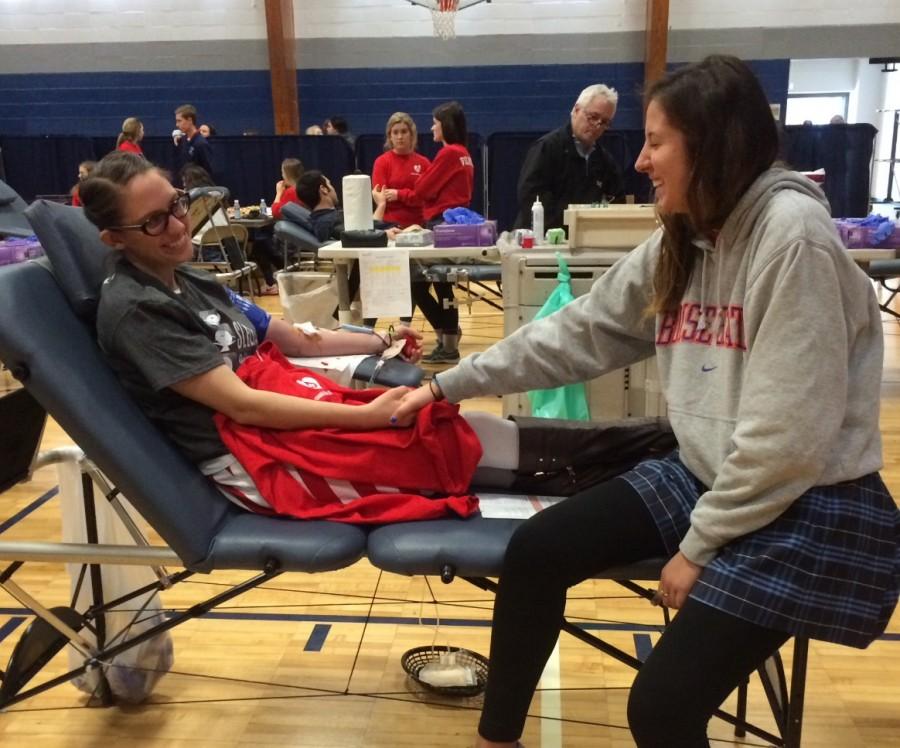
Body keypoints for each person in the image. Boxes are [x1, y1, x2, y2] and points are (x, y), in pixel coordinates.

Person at [393, 55, 900, 748]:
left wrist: (698, 547)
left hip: (804, 499)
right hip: (712, 473)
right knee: (538, 551)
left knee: (659, 708)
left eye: (656, 142)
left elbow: (789, 439)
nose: (638, 160)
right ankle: (497, 740)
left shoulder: (791, 241)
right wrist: (445, 386)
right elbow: (581, 331)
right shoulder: (688, 234)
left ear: (712, 146)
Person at [76, 152, 438, 520]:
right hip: (251, 460)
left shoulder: (191, 279)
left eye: (176, 204)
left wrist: (382, 339)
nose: (178, 225)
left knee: (434, 430)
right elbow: (242, 405)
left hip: (279, 430)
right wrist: (369, 417)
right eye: (154, 221)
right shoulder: (139, 311)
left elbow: (294, 339)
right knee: (434, 464)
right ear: (114, 239)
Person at [411, 101, 475, 364]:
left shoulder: (449, 154)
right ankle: (447, 337)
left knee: (426, 285)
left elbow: (421, 190)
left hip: (442, 224)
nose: (432, 127)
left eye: (435, 122)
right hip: (454, 224)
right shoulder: (465, 153)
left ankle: (448, 342)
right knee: (439, 284)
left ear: (445, 125)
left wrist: (425, 181)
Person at [514, 83, 625, 231]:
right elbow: (530, 197)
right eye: (593, 117)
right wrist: (566, 229)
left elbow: (618, 202)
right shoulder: (547, 148)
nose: (598, 126)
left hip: (585, 240)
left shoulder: (605, 161)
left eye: (604, 122)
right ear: (576, 110)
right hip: (541, 239)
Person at [371, 111, 431, 228]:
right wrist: (412, 196)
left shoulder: (424, 163)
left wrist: (399, 194)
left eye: (404, 132)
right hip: (390, 226)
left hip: (419, 226)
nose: (400, 137)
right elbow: (382, 198)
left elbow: (426, 198)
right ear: (390, 136)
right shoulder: (382, 162)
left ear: (411, 134)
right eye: (395, 132)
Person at [173, 104, 214, 179]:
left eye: (179, 121)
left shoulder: (201, 144)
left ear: (190, 120)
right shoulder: (183, 141)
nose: (177, 125)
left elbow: (208, 172)